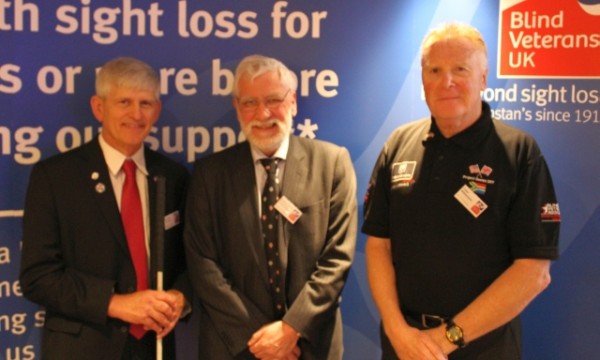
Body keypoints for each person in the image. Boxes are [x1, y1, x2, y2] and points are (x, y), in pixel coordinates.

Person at [362, 22, 561, 360]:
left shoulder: (519, 152)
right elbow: (379, 245)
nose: (446, 82)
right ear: (422, 80)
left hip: (484, 347)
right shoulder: (398, 145)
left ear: (483, 79)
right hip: (404, 345)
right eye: (434, 70)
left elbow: (534, 273)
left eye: (460, 69)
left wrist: (444, 340)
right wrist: (398, 331)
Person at [184, 54, 357, 360]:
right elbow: (203, 264)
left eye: (273, 100)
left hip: (310, 345)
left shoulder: (332, 164)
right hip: (236, 346)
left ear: (293, 102)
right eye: (250, 102)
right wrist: (262, 339)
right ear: (237, 108)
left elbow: (337, 259)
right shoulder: (210, 174)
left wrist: (291, 330)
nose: (263, 113)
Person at [20, 57, 192, 360]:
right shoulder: (56, 177)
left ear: (157, 110)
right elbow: (38, 276)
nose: (136, 114)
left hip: (154, 348)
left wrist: (180, 296)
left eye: (145, 103)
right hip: (83, 347)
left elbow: (190, 261)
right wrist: (115, 303)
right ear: (99, 108)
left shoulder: (173, 177)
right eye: (124, 102)